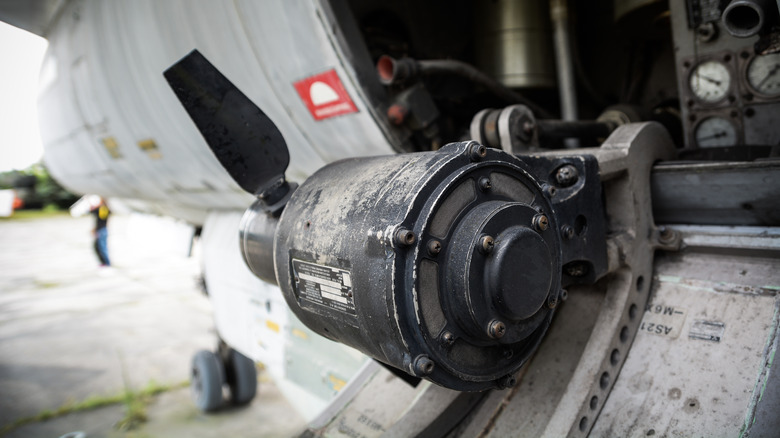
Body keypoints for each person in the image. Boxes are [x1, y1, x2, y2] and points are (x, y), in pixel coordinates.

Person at [91, 197, 111, 266]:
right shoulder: (106, 209)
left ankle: (106, 263)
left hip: (101, 230)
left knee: (101, 247)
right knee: (99, 247)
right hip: (102, 230)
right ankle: (104, 263)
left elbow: (93, 212)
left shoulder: (103, 209)